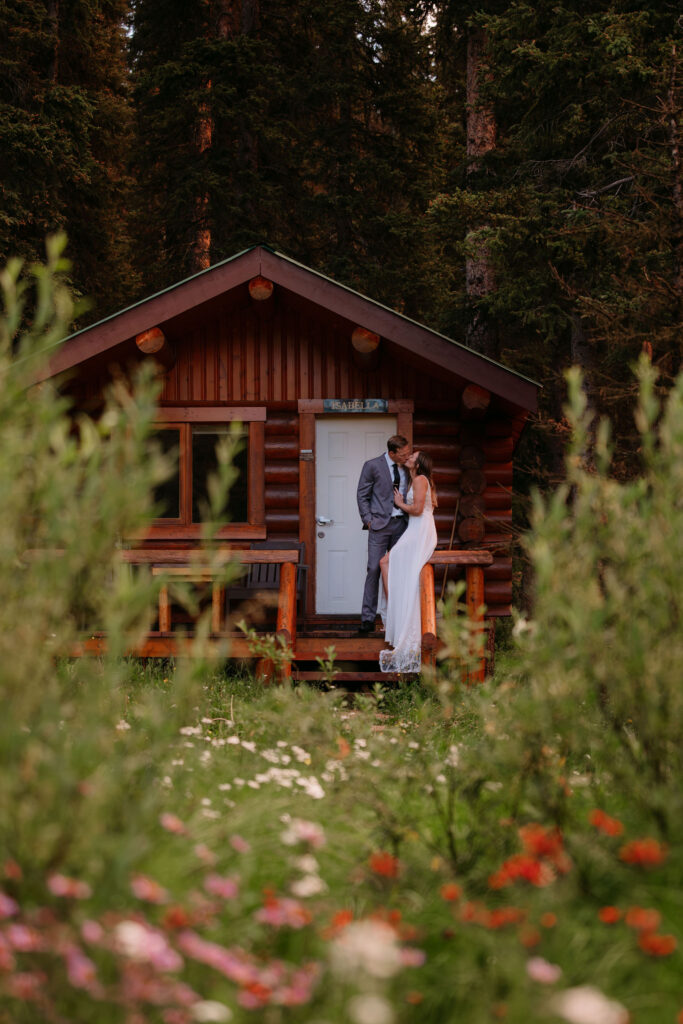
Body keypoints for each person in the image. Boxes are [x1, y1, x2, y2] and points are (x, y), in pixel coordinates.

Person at [377, 451, 437, 673]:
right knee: (389, 564)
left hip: (420, 529)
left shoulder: (421, 479)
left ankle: (396, 611)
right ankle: (397, 611)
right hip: (415, 528)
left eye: (414, 455)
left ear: (419, 463)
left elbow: (419, 510)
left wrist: (400, 503)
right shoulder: (416, 480)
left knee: (387, 562)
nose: (410, 455)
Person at [356, 435, 412, 633]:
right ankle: (368, 619)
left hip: (402, 526)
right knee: (373, 569)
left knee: (399, 572)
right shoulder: (372, 466)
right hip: (379, 526)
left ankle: (398, 617)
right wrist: (368, 520)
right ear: (392, 453)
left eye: (408, 452)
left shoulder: (409, 466)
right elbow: (362, 494)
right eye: (403, 454)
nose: (407, 456)